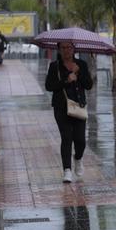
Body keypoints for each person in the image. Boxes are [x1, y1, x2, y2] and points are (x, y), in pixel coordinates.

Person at [45, 41, 93, 183]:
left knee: (80, 140)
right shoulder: (55, 66)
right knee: (66, 138)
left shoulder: (81, 65)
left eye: (69, 47)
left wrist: (78, 74)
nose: (67, 50)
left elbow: (89, 85)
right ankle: (67, 170)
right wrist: (67, 80)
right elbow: (49, 86)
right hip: (61, 107)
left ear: (74, 49)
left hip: (78, 107)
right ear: (59, 50)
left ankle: (78, 158)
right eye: (63, 48)